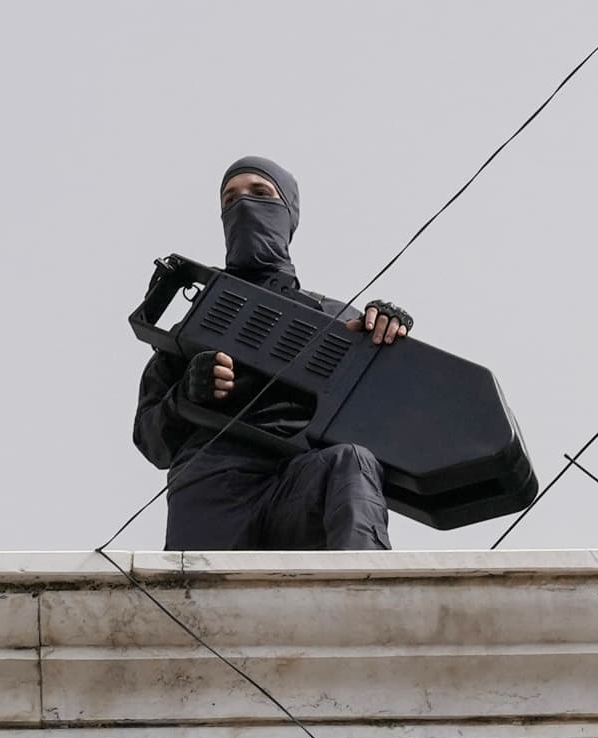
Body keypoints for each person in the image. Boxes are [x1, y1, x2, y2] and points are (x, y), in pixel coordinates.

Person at [134, 156, 413, 551]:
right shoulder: (193, 326)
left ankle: (365, 595)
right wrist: (184, 399)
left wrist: (390, 342)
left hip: (302, 483)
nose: (243, 204)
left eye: (260, 193)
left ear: (288, 212)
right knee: (203, 608)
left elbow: (394, 420)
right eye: (230, 199)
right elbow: (150, 439)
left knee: (352, 462)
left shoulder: (340, 319)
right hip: (212, 489)